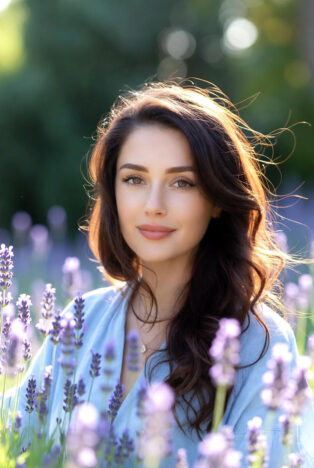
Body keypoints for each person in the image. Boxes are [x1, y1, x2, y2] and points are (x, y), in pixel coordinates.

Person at [3, 80, 314, 467]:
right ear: (113, 192)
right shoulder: (80, 322)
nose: (154, 205)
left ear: (217, 199)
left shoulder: (259, 344)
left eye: (181, 182)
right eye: (134, 179)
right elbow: (12, 429)